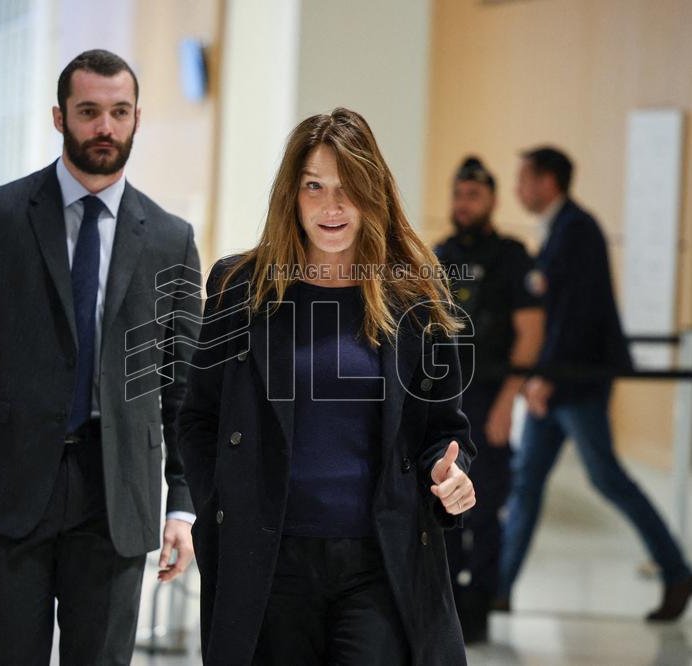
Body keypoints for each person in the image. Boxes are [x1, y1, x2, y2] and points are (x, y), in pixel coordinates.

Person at [0, 49, 199, 665]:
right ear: (59, 116)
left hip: (117, 493)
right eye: (89, 111)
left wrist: (183, 501)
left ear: (137, 118)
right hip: (7, 483)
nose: (105, 128)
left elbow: (184, 388)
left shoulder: (172, 240)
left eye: (119, 112)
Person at [178, 108, 478, 665]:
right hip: (269, 562)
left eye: (347, 189)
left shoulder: (414, 295)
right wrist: (223, 501)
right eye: (314, 186)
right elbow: (199, 417)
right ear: (291, 194)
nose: (331, 207)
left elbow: (444, 430)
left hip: (378, 565)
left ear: (373, 194)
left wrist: (450, 474)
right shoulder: (239, 286)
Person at [497, 146, 692, 622]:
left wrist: (546, 375)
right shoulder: (560, 230)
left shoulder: (577, 230)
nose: (518, 189)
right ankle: (500, 589)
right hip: (559, 378)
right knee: (526, 482)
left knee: (607, 478)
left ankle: (676, 572)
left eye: (524, 179)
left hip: (576, 381)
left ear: (548, 182)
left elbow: (576, 314)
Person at [434, 156, 544, 643]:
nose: (463, 204)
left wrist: (507, 404)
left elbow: (530, 332)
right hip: (444, 397)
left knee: (487, 505)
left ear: (492, 201)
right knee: (444, 506)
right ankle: (446, 607)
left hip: (489, 396)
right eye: (458, 194)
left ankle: (479, 604)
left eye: (473, 195)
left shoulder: (512, 256)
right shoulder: (436, 254)